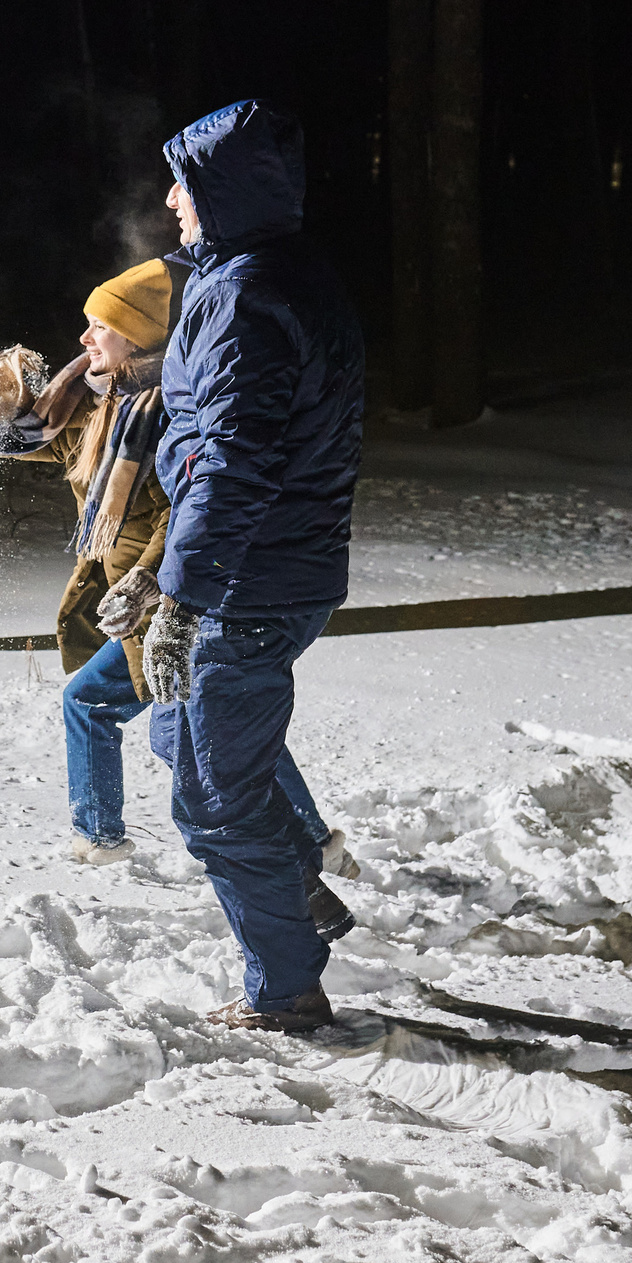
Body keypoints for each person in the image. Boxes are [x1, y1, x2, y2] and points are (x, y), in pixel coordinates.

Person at [0, 264, 356, 875]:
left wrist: (149, 578)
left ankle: (292, 857)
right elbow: (12, 438)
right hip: (133, 606)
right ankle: (109, 837)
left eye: (100, 325)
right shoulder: (97, 405)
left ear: (137, 335)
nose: (83, 339)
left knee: (205, 732)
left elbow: (191, 515)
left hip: (177, 603)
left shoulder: (174, 412)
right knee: (177, 720)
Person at [137, 100, 366, 1035]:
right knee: (171, 735)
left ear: (222, 192)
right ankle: (299, 869)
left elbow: (235, 461)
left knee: (216, 804)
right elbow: (207, 431)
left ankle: (286, 990)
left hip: (247, 582)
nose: (169, 200)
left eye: (184, 185)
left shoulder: (248, 293)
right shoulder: (255, 277)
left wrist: (182, 595)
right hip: (262, 570)